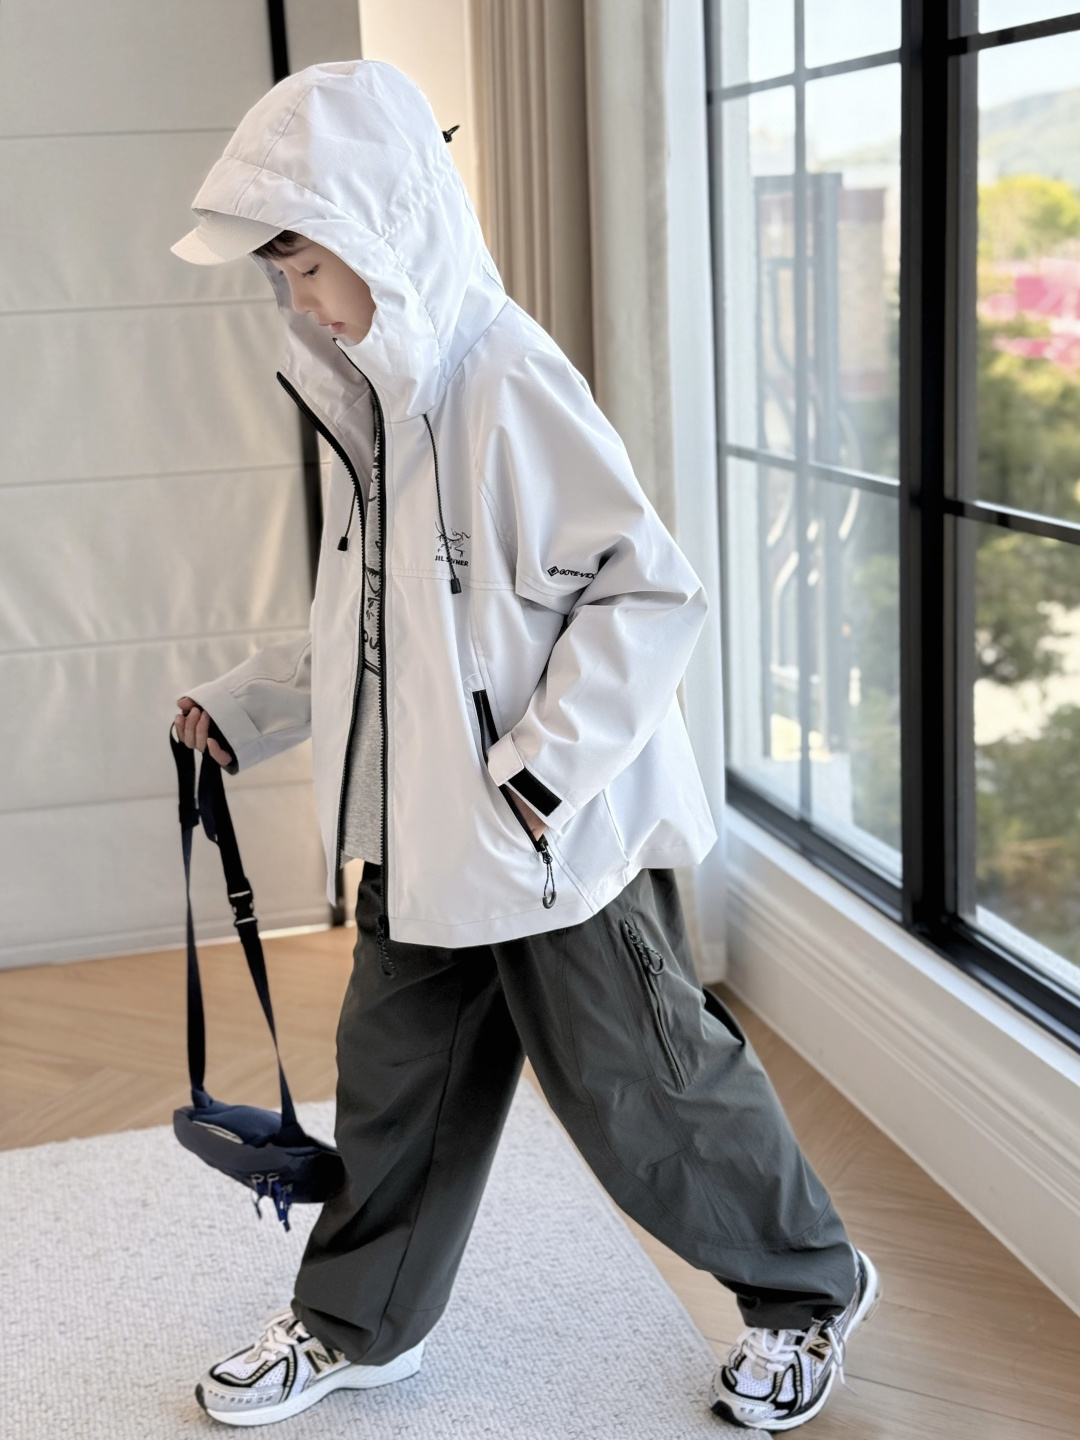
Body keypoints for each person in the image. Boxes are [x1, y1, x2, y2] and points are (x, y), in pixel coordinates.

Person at [171, 60, 878, 1433]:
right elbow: (375, 627)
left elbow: (649, 590)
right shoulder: (379, 405)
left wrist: (539, 777)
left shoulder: (504, 376)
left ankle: (809, 1290)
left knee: (646, 1090)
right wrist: (244, 709)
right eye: (284, 278)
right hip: (423, 831)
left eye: (306, 267)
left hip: (546, 837)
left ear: (378, 228)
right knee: (396, 1087)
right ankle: (357, 1320)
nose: (299, 303)